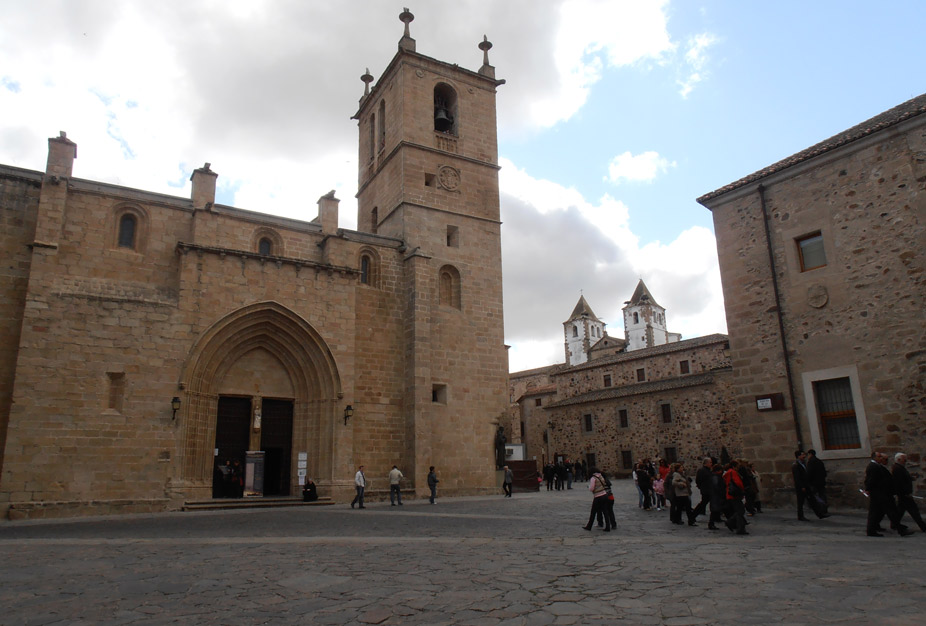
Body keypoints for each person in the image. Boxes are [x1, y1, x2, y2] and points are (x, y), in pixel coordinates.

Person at [865, 452, 912, 537]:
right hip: (880, 494)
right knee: (890, 512)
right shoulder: (873, 467)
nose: (881, 459)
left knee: (877, 513)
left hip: (882, 494)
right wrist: (868, 490)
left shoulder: (877, 466)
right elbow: (870, 480)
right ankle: (900, 529)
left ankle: (873, 529)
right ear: (874, 457)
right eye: (879, 457)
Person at [892, 452, 926, 532]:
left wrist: (911, 478)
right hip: (904, 494)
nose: (905, 461)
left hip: (904, 494)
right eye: (904, 459)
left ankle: (894, 524)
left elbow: (904, 479)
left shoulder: (900, 468)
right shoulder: (897, 469)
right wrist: (906, 493)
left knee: (900, 510)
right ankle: (923, 526)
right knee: (914, 511)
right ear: (899, 460)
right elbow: (899, 483)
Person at [792, 451, 827, 520]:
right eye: (802, 455)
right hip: (801, 487)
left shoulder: (803, 463)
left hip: (806, 485)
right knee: (801, 502)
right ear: (798, 456)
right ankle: (800, 516)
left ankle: (820, 514)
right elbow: (797, 477)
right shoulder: (796, 465)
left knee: (812, 500)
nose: (804, 456)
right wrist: (802, 486)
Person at [582, 467, 611, 532]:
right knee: (605, 511)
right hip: (604, 494)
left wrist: (589, 487)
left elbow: (591, 488)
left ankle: (589, 526)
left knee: (593, 512)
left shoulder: (593, 478)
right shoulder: (600, 476)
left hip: (598, 496)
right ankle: (608, 526)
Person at [724, 460, 748, 535]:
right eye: (737, 467)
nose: (738, 468)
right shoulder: (732, 472)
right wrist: (742, 489)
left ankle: (736, 525)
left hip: (730, 494)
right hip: (735, 494)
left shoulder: (728, 472)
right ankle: (736, 526)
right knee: (740, 511)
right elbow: (738, 483)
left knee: (739, 511)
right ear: (734, 466)